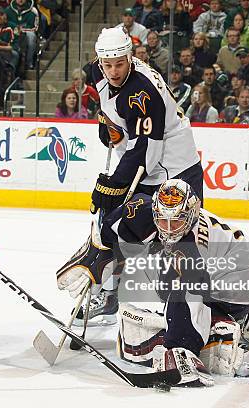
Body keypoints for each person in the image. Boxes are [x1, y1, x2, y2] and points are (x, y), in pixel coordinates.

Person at [56, 179, 249, 386]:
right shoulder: (142, 209)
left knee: (181, 294)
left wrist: (178, 347)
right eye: (163, 220)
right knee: (168, 283)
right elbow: (114, 225)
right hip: (234, 268)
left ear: (192, 214)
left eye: (177, 221)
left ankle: (227, 322)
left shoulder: (196, 247)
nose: (170, 229)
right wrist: (96, 254)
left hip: (242, 280)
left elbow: (187, 296)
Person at [78, 27, 203, 324]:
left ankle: (190, 312)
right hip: (145, 167)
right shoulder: (100, 69)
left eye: (119, 63)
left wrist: (113, 184)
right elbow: (109, 101)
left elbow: (146, 152)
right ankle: (108, 294)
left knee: (172, 245)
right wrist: (107, 121)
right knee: (115, 226)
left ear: (130, 56)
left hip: (174, 172)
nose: (113, 71)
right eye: (107, 65)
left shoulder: (141, 91)